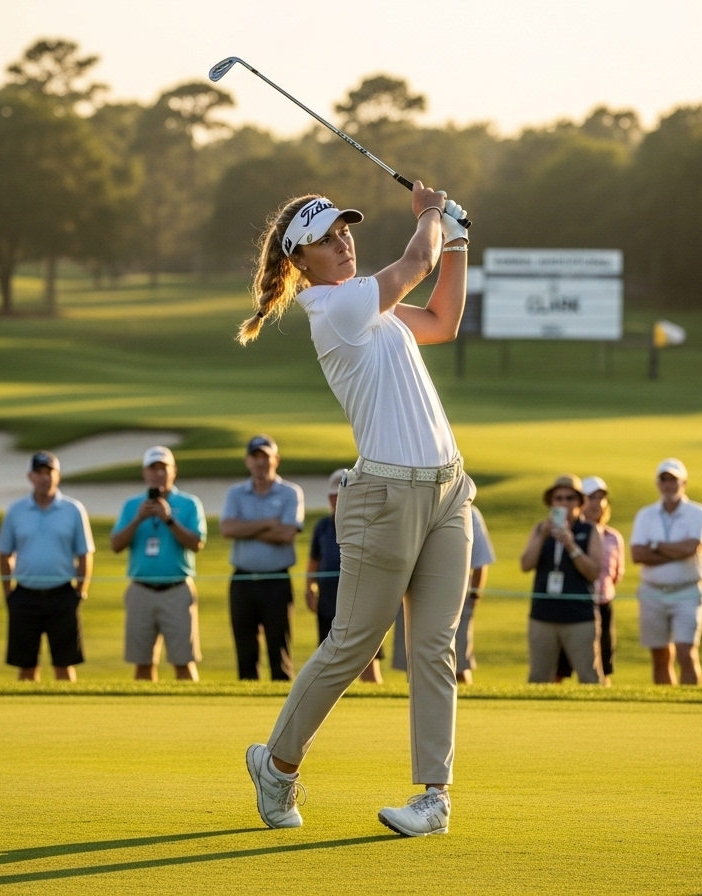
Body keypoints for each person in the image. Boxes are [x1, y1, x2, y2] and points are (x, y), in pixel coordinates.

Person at [238, 185, 474, 837]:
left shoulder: (372, 305)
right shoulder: (335, 306)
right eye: (325, 238)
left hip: (449, 490)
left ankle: (434, 797)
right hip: (384, 497)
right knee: (353, 644)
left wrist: (456, 240)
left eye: (344, 230)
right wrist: (431, 213)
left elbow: (443, 321)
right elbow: (415, 264)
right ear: (300, 261)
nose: (342, 242)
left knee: (434, 646)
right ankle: (277, 767)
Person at [0, 451, 94, 682]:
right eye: (39, 473)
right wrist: (9, 593)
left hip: (62, 595)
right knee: (26, 667)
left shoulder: (73, 509)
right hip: (24, 595)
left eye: (49, 472)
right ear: (30, 477)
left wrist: (80, 592)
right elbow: (4, 553)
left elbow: (85, 555)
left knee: (64, 665)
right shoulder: (16, 510)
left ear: (58, 475)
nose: (44, 478)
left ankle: (68, 707)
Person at [111, 446, 206, 682]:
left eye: (163, 468)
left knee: (183, 662)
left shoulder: (189, 503)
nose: (158, 474)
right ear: (145, 472)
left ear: (173, 471)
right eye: (153, 468)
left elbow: (196, 544)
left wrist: (168, 519)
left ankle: (190, 705)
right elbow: (116, 545)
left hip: (177, 590)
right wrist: (138, 519)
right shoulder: (133, 505)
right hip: (141, 590)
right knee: (142, 664)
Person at [220, 435, 304, 682]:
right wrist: (268, 523)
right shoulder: (236, 493)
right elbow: (227, 529)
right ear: (247, 461)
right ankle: (247, 703)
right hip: (242, 580)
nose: (260, 462)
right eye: (255, 457)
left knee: (280, 650)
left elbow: (287, 534)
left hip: (276, 581)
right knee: (245, 652)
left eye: (265, 457)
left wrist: (245, 528)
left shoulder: (290, 492)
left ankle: (284, 705)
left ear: (276, 460)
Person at [630, 458, 702, 686]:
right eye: (663, 480)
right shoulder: (645, 514)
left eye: (673, 480)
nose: (668, 485)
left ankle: (691, 702)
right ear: (658, 484)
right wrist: (677, 550)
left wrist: (655, 546)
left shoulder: (698, 512)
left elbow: (691, 548)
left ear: (684, 483)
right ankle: (666, 702)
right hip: (652, 592)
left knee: (686, 652)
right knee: (660, 655)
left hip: (687, 591)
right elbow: (637, 554)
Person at [392, 503, 494, 684]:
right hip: (412, 597)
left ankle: (462, 701)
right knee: (414, 664)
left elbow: (479, 561)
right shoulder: (414, 507)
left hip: (455, 600)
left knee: (458, 665)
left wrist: (473, 598)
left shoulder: (468, 512)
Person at [521, 475, 605, 684]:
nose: (564, 503)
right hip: (543, 614)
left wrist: (571, 545)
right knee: (539, 678)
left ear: (580, 502)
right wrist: (542, 536)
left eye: (570, 498)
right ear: (551, 503)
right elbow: (526, 565)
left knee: (589, 677)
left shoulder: (589, 530)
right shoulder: (540, 529)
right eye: (558, 498)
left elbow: (593, 572)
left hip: (579, 615)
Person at [307, 470, 383, 683]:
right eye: (334, 495)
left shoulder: (367, 523)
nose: (337, 500)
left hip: (361, 600)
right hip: (328, 599)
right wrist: (309, 587)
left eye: (342, 495)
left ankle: (373, 699)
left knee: (367, 662)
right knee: (328, 660)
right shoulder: (323, 526)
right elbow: (314, 561)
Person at [581, 476, 623, 680]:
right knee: (561, 667)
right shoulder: (572, 533)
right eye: (591, 498)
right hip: (575, 604)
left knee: (603, 665)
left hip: (604, 604)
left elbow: (616, 575)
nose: (597, 503)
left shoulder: (613, 537)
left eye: (601, 498)